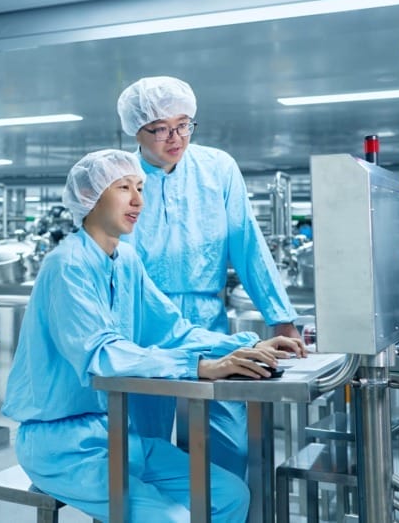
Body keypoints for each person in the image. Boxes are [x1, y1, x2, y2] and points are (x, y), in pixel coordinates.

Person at [1, 149, 305, 523]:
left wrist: (247, 345)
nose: (138, 200)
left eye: (141, 188)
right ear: (90, 198)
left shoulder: (125, 261)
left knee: (229, 495)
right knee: (172, 518)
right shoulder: (66, 266)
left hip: (116, 434)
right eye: (124, 188)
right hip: (61, 446)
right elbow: (102, 354)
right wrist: (200, 367)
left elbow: (173, 330)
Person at [117, 76, 302, 479]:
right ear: (137, 129)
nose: (175, 137)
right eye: (161, 128)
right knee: (143, 444)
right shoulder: (120, 176)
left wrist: (280, 314)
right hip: (142, 322)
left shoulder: (218, 168)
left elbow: (246, 243)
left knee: (228, 443)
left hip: (206, 319)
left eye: (183, 125)